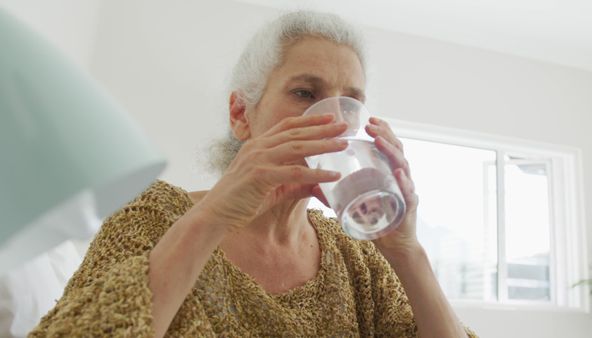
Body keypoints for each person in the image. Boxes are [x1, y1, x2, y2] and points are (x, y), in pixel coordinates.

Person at [29, 11, 478, 338]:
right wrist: (212, 217)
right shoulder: (151, 218)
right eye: (305, 92)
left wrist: (407, 252)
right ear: (242, 113)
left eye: (350, 104)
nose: (336, 122)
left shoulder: (358, 259)